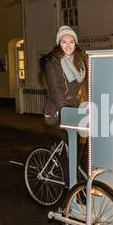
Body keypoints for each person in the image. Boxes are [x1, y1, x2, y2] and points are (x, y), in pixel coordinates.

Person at [41, 25, 88, 171]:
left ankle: (78, 171)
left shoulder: (80, 62)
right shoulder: (52, 63)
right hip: (56, 111)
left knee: (89, 141)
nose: (68, 45)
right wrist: (64, 110)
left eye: (71, 41)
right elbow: (56, 90)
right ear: (59, 43)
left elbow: (88, 84)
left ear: (75, 43)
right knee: (74, 146)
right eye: (64, 41)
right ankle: (70, 181)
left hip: (74, 107)